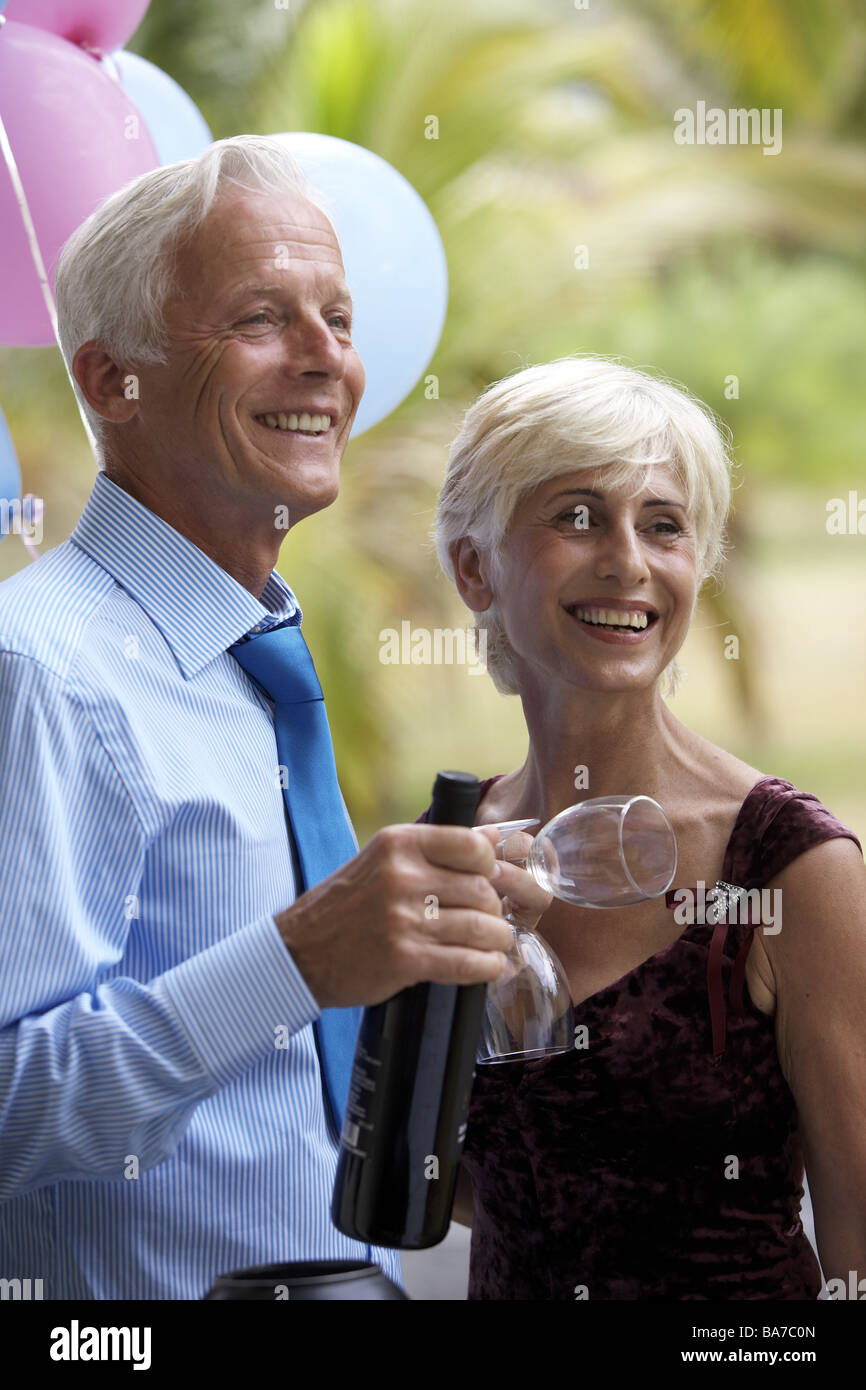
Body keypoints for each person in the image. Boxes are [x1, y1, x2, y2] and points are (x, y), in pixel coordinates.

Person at [0, 135, 527, 1300]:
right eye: (259, 318)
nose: (324, 360)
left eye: (337, 319)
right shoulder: (36, 669)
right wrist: (292, 959)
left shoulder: (258, 659)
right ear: (106, 380)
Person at [418, 356, 866, 1300]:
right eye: (576, 516)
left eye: (663, 526)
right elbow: (464, 1187)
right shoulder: (447, 850)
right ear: (473, 567)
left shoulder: (791, 866)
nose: (627, 560)